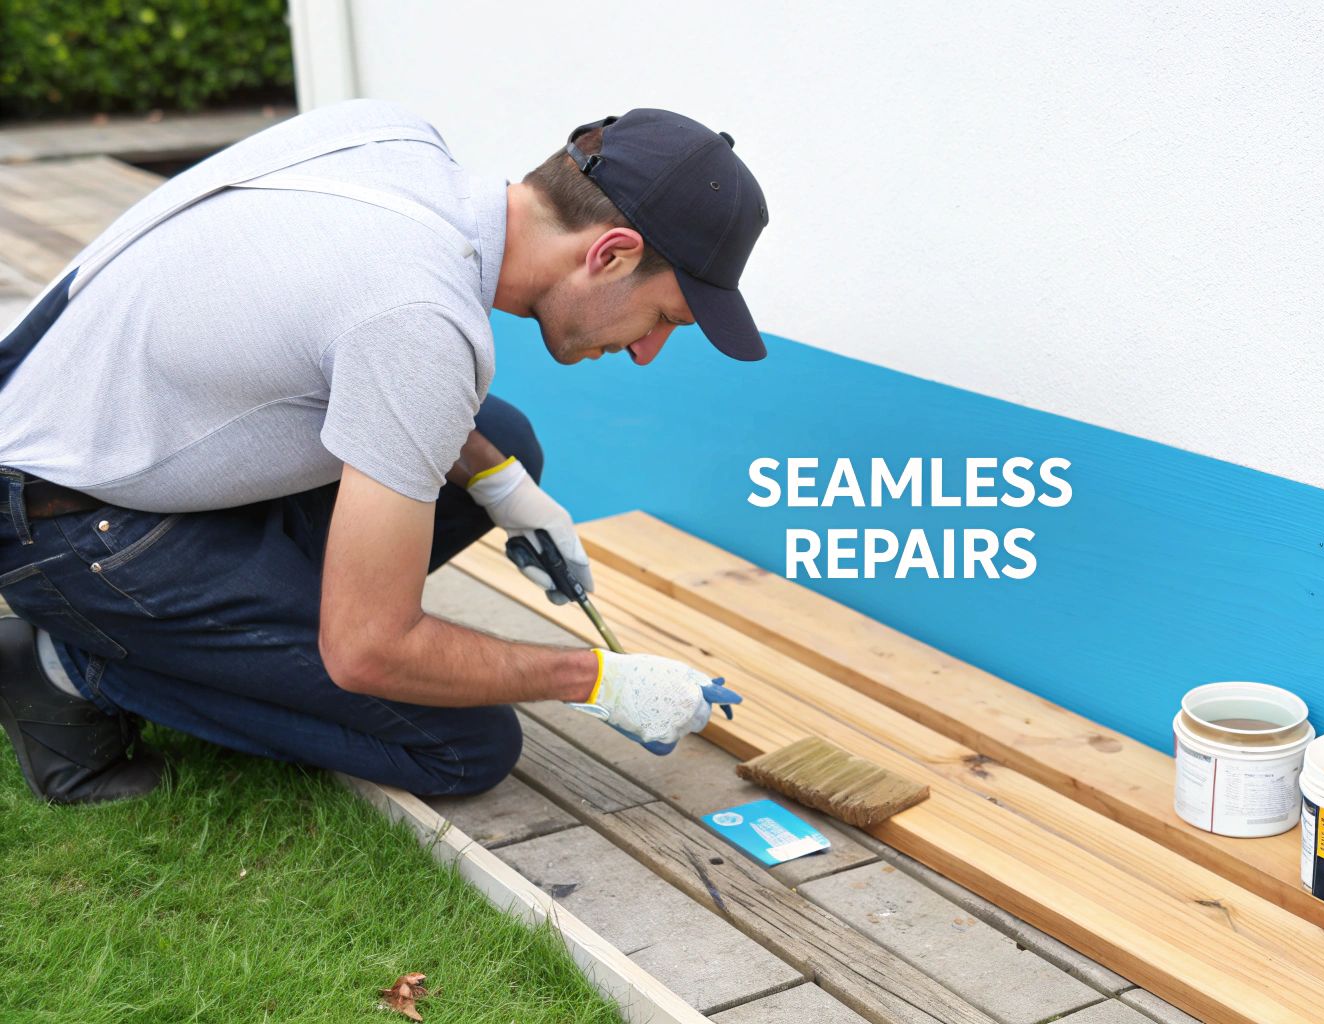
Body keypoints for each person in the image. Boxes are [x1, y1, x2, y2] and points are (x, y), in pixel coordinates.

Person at [0, 99, 766, 804]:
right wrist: (596, 678)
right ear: (612, 254)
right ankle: (72, 664)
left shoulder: (393, 141)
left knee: (505, 442)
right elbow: (367, 651)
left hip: (66, 428)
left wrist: (499, 482)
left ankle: (243, 631)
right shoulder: (420, 318)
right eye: (665, 318)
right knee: (465, 747)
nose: (647, 351)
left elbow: (363, 344)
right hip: (62, 525)